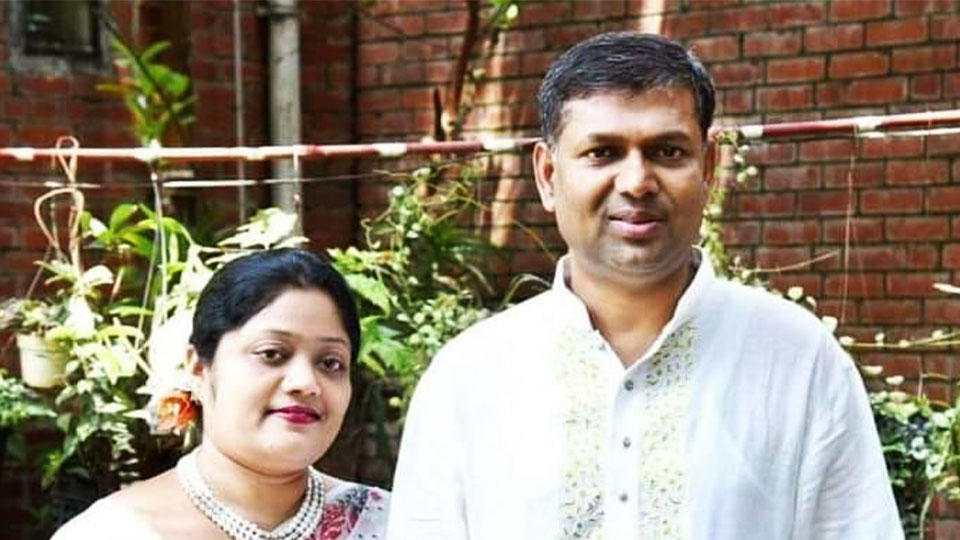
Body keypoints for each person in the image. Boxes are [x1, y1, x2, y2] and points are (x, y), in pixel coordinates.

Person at [387, 32, 902, 539]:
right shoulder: (468, 378)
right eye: (602, 152)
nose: (636, 182)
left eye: (667, 151)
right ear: (547, 175)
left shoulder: (797, 361)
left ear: (709, 168)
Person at [54, 248, 389, 540]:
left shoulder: (393, 525)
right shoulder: (112, 532)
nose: (305, 382)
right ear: (199, 368)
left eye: (330, 363)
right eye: (271, 353)